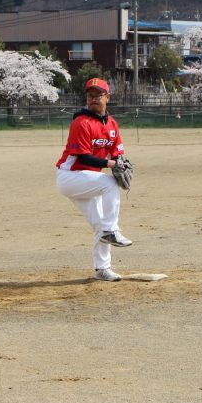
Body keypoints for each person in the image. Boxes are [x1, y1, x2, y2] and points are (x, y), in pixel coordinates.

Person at [55, 77, 132, 282]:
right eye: (90, 95)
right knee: (109, 183)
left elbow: (117, 154)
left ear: (108, 97)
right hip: (70, 176)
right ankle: (112, 230)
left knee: (100, 223)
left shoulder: (112, 124)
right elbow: (83, 157)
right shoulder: (81, 122)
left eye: (98, 95)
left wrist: (120, 163)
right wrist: (112, 165)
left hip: (89, 180)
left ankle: (102, 269)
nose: (94, 99)